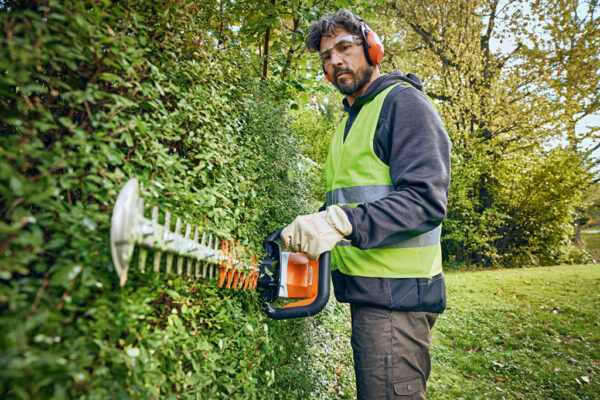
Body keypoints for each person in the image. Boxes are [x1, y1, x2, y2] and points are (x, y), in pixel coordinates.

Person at [281, 9, 451, 400]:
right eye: (326, 56)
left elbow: (425, 200)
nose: (335, 60)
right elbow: (351, 205)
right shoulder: (349, 122)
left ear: (372, 48)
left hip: (398, 299)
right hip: (373, 294)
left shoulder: (402, 104)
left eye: (344, 47)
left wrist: (339, 222)